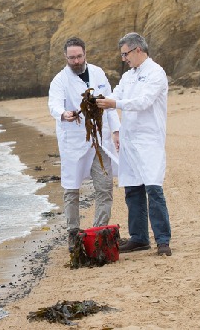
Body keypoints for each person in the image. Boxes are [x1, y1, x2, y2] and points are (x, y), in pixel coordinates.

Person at [95, 32, 172, 256]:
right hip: (129, 140)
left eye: (125, 54)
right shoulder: (128, 76)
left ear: (138, 50)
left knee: (153, 188)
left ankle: (163, 240)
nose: (124, 59)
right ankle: (139, 238)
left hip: (149, 139)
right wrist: (96, 100)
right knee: (133, 190)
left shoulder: (156, 73)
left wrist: (114, 103)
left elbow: (143, 101)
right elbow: (113, 95)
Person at [48, 37, 121, 253]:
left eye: (79, 56)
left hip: (100, 140)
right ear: (66, 57)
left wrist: (116, 131)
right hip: (74, 140)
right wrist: (64, 114)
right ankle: (73, 235)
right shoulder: (59, 80)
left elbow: (109, 103)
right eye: (72, 57)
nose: (76, 61)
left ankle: (98, 233)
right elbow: (54, 103)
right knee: (72, 189)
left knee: (105, 187)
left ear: (85, 54)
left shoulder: (98, 73)